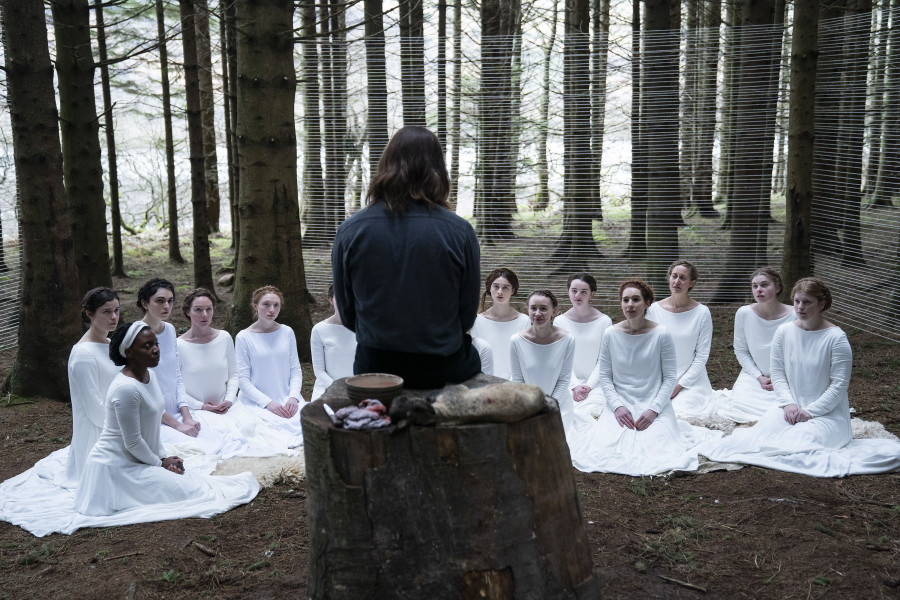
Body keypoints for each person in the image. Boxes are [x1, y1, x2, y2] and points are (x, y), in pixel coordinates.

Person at [700, 278, 900, 476]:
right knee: (755, 440)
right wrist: (788, 404)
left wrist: (810, 411)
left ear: (821, 304)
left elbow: (839, 385)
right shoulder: (784, 331)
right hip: (790, 408)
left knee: (797, 444)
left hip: (827, 415)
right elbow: (777, 372)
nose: (800, 307)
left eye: (807, 302)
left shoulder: (836, 338)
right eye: (796, 301)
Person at [332, 126, 481, 389]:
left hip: (375, 367)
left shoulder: (351, 231)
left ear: (385, 165)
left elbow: (347, 313)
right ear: (437, 170)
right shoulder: (460, 231)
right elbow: (467, 314)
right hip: (442, 367)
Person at [74, 321, 259, 519]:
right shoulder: (125, 389)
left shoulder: (150, 375)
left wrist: (164, 458)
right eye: (147, 346)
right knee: (196, 494)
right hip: (116, 467)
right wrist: (160, 463)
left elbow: (151, 428)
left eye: (156, 344)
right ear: (129, 352)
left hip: (142, 457)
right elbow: (133, 442)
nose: (155, 350)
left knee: (190, 481)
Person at [570, 281, 704, 475]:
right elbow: (606, 376)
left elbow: (669, 378)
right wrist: (617, 406)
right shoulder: (610, 334)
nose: (630, 304)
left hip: (653, 401)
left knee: (659, 448)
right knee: (606, 447)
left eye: (635, 299)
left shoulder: (661, 334)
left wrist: (654, 410)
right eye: (625, 300)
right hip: (620, 402)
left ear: (647, 303)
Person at [715, 268, 795, 422]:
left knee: (781, 412)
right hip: (754, 376)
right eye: (755, 286)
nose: (759, 290)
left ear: (777, 288)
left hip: (788, 376)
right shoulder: (744, 313)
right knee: (738, 407)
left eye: (764, 285)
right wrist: (759, 377)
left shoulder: (795, 315)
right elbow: (741, 351)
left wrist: (780, 377)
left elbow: (799, 354)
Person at [235, 286, 305, 446]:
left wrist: (293, 397)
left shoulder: (287, 332)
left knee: (308, 422)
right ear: (255, 306)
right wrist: (268, 403)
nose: (271, 310)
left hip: (287, 397)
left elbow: (295, 370)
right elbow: (242, 380)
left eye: (276, 305)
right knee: (268, 432)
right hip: (257, 401)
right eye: (266, 304)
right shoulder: (243, 337)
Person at [646, 260, 715, 419]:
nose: (677, 281)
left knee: (678, 415)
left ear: (691, 283)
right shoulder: (654, 310)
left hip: (690, 382)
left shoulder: (702, 313)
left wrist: (678, 386)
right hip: (658, 378)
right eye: (674, 276)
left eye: (683, 278)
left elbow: (701, 356)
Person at [66, 287, 122, 482]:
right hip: (98, 434)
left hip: (117, 422)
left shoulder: (108, 343)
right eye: (106, 312)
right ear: (90, 314)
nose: (114, 317)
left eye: (116, 310)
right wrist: (124, 427)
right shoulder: (83, 355)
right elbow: (93, 408)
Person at [136, 278, 199, 437]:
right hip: (150, 416)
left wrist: (187, 416)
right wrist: (177, 425)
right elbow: (142, 390)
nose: (166, 306)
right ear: (145, 303)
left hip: (175, 410)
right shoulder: (136, 335)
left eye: (170, 301)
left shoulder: (170, 330)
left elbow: (176, 374)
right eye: (160, 301)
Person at [509, 290, 575, 433]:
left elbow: (564, 379)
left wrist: (549, 405)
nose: (538, 313)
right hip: (527, 403)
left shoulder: (568, 340)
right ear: (528, 310)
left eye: (543, 308)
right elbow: (518, 379)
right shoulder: (516, 340)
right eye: (533, 308)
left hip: (558, 405)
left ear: (554, 311)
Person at [554, 273, 612, 416]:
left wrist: (588, 386)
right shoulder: (559, 322)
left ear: (592, 294)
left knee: (591, 414)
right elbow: (560, 359)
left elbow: (603, 360)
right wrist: (574, 386)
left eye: (583, 292)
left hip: (596, 385)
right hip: (567, 382)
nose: (578, 295)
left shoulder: (604, 322)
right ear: (568, 291)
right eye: (574, 291)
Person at [469, 267, 531, 379]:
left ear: (513, 290)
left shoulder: (524, 321)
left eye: (505, 287)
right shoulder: (477, 320)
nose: (500, 292)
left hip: (514, 384)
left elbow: (524, 359)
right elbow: (476, 357)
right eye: (496, 286)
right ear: (489, 289)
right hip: (485, 383)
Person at [310, 284, 357, 401]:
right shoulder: (319, 329)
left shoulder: (363, 328)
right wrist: (338, 388)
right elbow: (319, 371)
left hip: (358, 387)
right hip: (327, 387)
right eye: (340, 297)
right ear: (331, 300)